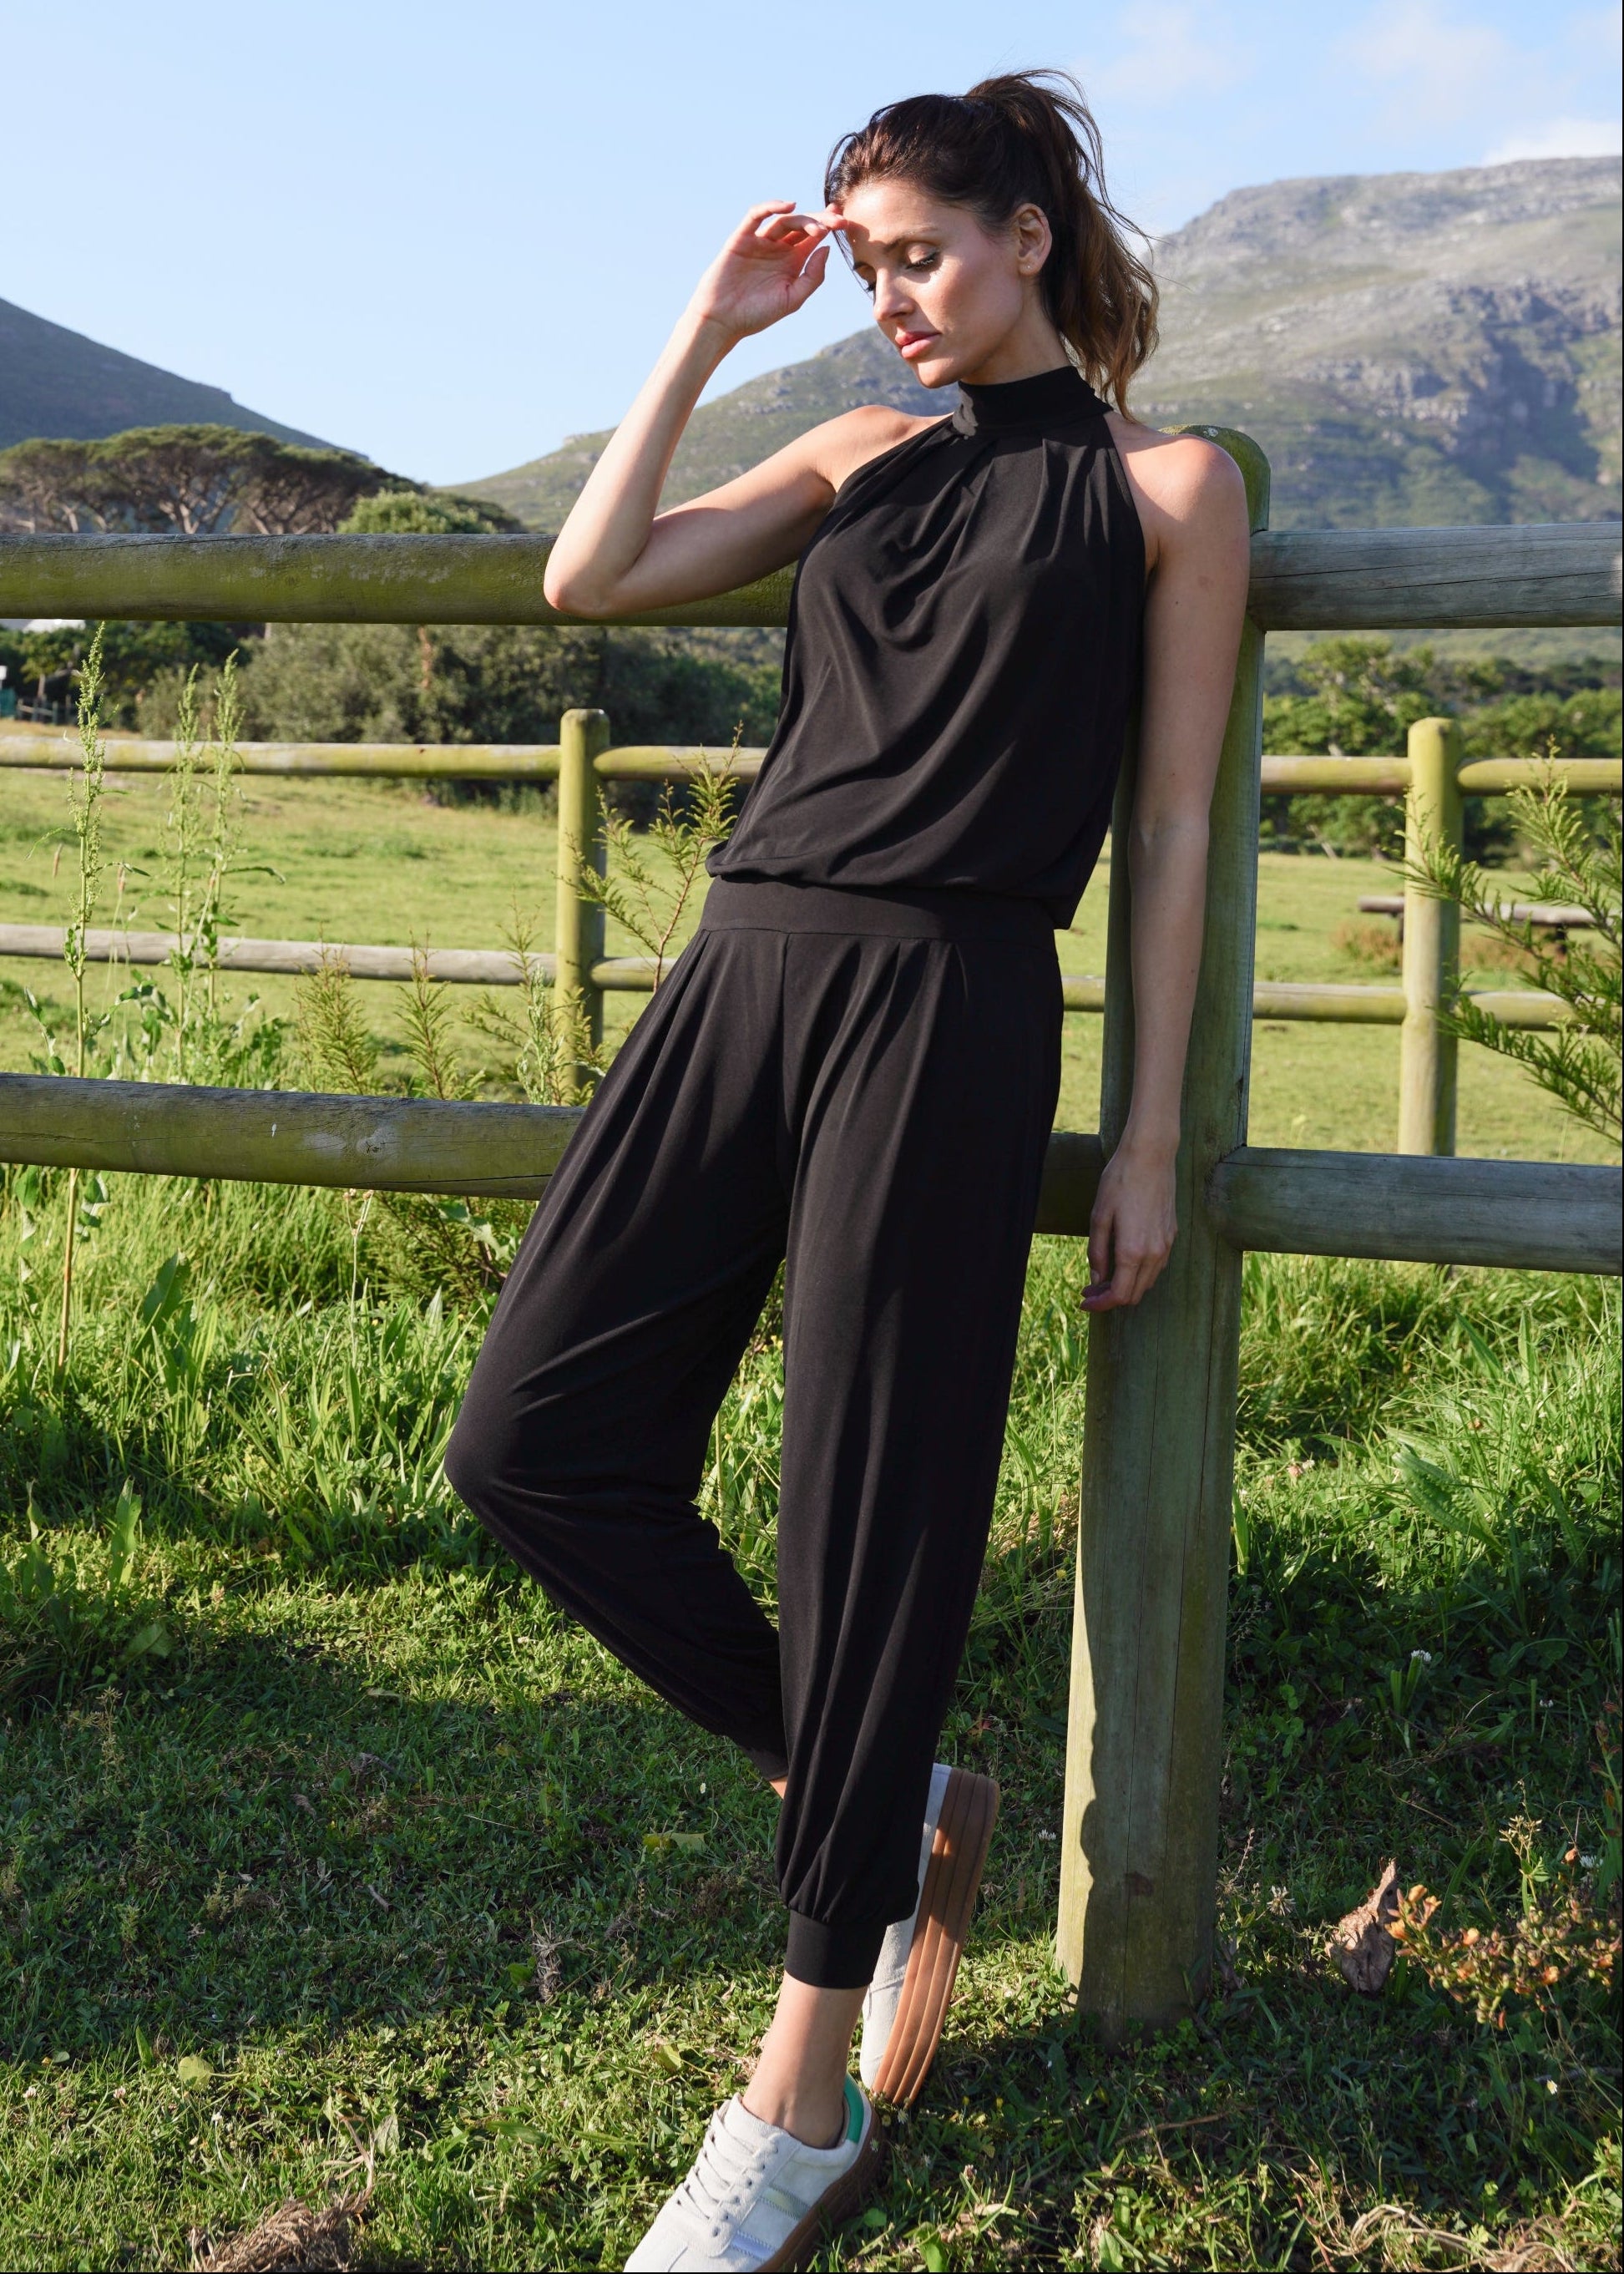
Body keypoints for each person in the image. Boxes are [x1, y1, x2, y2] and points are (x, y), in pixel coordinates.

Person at [445, 67, 1250, 2274]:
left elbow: (1170, 827)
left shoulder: (1172, 491)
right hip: (745, 960)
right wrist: (710, 331)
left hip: (952, 999)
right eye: (865, 260)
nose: (887, 297)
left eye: (914, 252)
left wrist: (1153, 1127)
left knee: (867, 1505)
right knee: (531, 1438)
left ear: (1026, 236)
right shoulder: (856, 454)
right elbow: (585, 573)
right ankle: (883, 1791)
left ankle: (794, 2096)